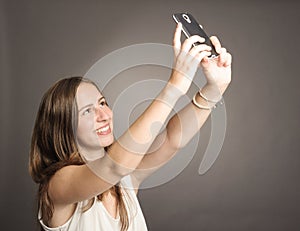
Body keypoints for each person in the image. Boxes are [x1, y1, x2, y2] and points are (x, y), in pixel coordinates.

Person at [29, 22, 232, 231]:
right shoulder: (58, 186)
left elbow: (172, 139)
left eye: (102, 103)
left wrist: (215, 89)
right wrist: (174, 87)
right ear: (63, 127)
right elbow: (113, 167)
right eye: (87, 111)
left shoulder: (126, 179)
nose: (104, 116)